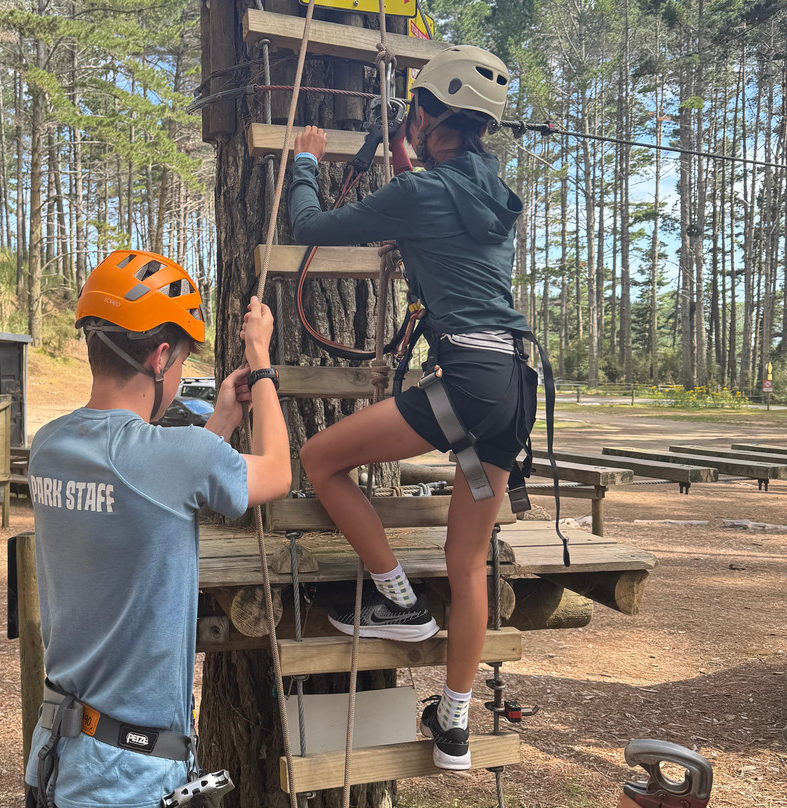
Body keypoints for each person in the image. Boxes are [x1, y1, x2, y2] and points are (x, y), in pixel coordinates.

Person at [288, 46, 537, 771]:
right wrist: (407, 147)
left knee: (319, 459)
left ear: (427, 117)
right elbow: (433, 192)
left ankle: (396, 600)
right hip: (512, 387)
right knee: (468, 565)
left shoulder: (422, 195)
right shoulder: (488, 187)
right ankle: (455, 725)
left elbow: (310, 225)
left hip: (466, 380)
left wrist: (306, 161)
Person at [23, 249, 291, 808]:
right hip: (127, 776)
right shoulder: (175, 456)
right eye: (184, 361)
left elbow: (145, 495)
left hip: (59, 756)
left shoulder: (48, 449)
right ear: (160, 358)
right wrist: (261, 360)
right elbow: (277, 473)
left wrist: (217, 424)